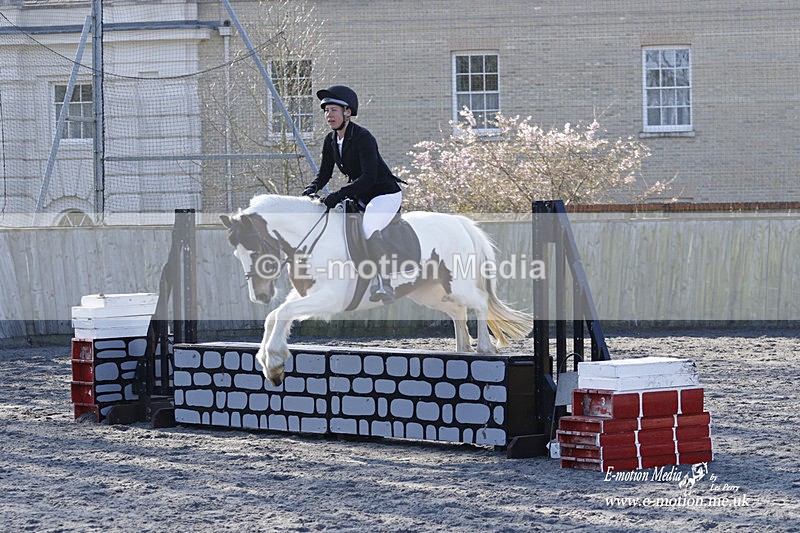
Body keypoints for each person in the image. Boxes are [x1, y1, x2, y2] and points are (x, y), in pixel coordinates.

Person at [301, 85, 403, 304]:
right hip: (361, 194)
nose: (329, 115)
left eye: (333, 110)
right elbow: (324, 173)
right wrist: (312, 188)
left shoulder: (363, 137)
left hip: (384, 194)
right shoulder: (330, 140)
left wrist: (337, 195)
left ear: (347, 113)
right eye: (326, 110)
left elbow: (369, 177)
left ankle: (385, 283)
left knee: (369, 227)